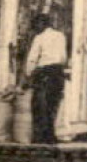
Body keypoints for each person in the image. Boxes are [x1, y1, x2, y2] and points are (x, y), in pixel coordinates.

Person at [23, 11, 68, 144]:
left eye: (36, 25)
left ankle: (40, 137)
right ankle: (50, 136)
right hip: (58, 73)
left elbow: (32, 59)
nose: (36, 28)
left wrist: (28, 74)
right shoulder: (61, 36)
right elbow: (63, 57)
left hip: (44, 73)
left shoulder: (39, 38)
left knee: (39, 105)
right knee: (53, 105)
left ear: (41, 24)